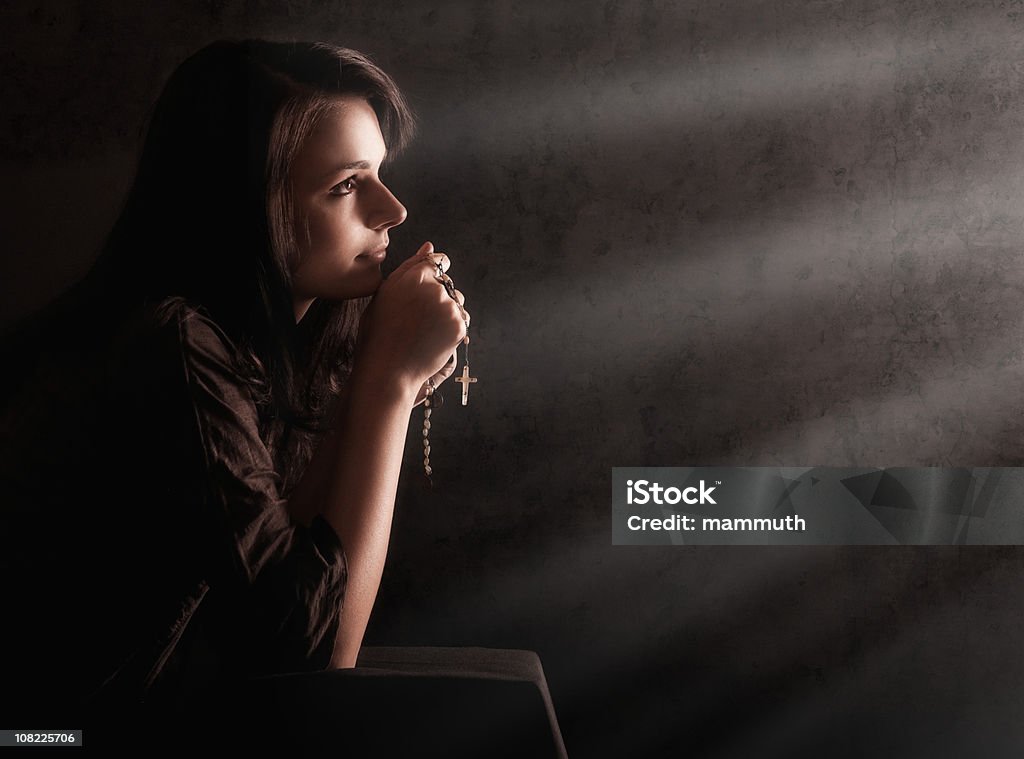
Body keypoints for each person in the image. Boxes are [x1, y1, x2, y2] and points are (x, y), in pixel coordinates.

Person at [0, 38, 469, 734]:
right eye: (346, 185)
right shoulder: (173, 345)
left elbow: (289, 592)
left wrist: (372, 380)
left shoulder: (254, 350)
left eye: (378, 173)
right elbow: (312, 663)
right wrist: (387, 385)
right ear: (246, 207)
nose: (392, 209)